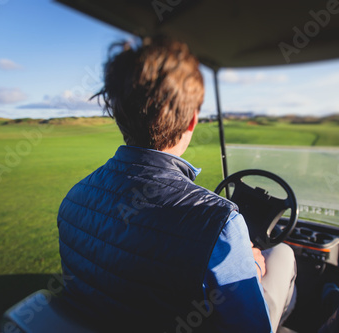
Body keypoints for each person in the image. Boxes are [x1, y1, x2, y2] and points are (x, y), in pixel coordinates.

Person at [57, 36, 296, 333]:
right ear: (193, 120)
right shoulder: (220, 222)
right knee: (282, 254)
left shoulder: (73, 199)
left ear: (118, 115)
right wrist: (253, 267)